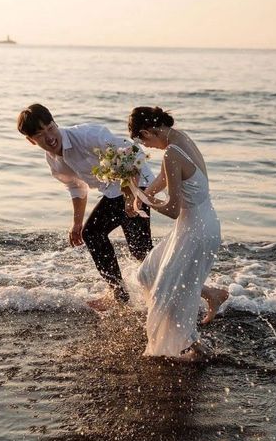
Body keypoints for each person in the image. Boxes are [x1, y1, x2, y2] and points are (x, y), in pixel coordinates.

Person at [17, 103, 154, 310]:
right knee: (135, 249)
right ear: (30, 140)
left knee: (134, 248)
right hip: (113, 192)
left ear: (55, 123)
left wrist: (130, 197)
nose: (50, 137)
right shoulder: (54, 161)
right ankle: (123, 293)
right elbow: (76, 187)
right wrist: (76, 223)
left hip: (137, 184)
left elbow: (131, 154)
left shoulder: (88, 135)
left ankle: (132, 293)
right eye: (40, 134)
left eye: (50, 128)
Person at [128, 106, 228, 361]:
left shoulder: (171, 153)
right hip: (199, 223)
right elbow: (168, 175)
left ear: (146, 132)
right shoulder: (179, 138)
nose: (148, 147)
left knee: (166, 292)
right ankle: (212, 294)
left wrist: (141, 198)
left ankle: (190, 345)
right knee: (147, 273)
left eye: (144, 142)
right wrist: (148, 192)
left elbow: (172, 210)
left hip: (196, 230)